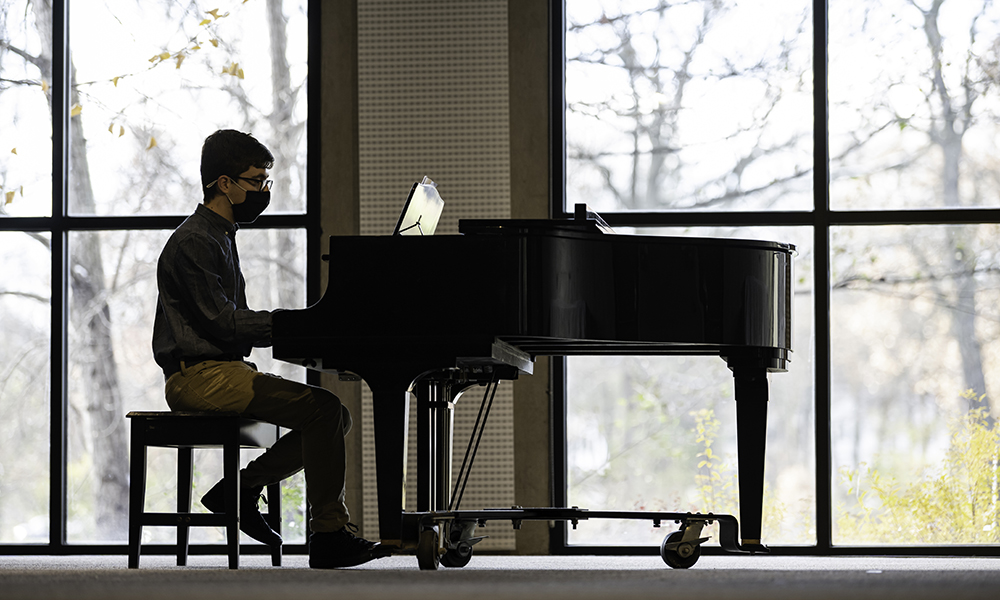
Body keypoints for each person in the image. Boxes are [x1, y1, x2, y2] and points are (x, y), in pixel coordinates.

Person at [151, 129, 380, 568]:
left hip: (221, 372)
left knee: (336, 415)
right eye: (255, 181)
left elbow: (230, 323)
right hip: (196, 377)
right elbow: (222, 321)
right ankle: (328, 534)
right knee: (326, 411)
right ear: (224, 183)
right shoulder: (196, 240)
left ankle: (240, 489)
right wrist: (297, 323)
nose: (262, 191)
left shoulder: (220, 234)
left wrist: (298, 328)